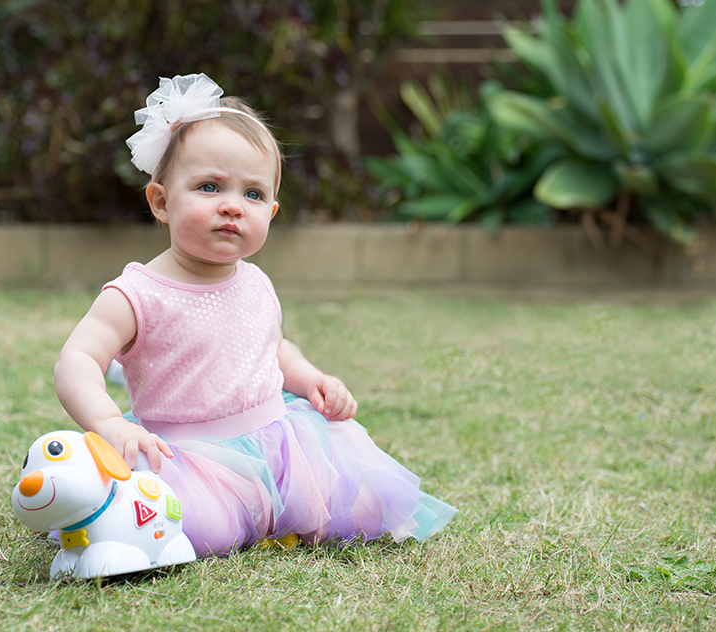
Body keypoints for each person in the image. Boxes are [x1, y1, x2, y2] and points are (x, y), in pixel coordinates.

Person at [54, 74, 457, 558]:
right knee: (196, 531)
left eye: (253, 195)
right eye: (209, 186)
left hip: (280, 443)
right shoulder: (137, 293)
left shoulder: (255, 280)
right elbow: (77, 358)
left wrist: (311, 379)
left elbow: (271, 346)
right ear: (161, 201)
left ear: (272, 209)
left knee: (365, 504)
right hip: (186, 452)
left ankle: (275, 511)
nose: (232, 207)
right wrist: (108, 423)